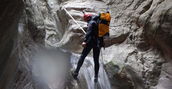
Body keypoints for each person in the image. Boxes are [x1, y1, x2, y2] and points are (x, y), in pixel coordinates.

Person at [72, 14, 104, 83]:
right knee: (96, 60)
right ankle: (96, 77)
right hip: (97, 43)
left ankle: (76, 73)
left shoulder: (91, 22)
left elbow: (89, 32)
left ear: (87, 19)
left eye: (86, 20)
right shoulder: (97, 22)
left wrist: (85, 41)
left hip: (90, 42)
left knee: (83, 56)